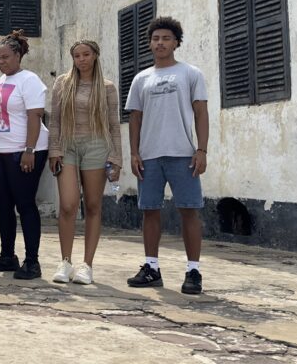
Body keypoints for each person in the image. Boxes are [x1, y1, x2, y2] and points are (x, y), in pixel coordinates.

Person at [125, 16, 209, 295]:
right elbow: (135, 119)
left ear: (176, 43)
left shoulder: (190, 74)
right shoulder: (141, 79)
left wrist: (202, 150)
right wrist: (134, 153)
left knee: (189, 211)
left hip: (183, 154)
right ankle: (152, 268)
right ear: (150, 43)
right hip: (149, 156)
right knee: (150, 211)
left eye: (166, 38)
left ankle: (193, 271)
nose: (160, 43)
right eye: (156, 38)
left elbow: (200, 113)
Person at [48, 40, 122, 285]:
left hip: (97, 146)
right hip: (68, 145)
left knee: (92, 206)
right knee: (68, 205)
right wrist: (54, 150)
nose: (81, 59)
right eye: (77, 55)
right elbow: (55, 120)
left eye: (86, 54)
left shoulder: (108, 88)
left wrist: (116, 158)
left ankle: (87, 265)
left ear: (95, 56)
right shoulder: (63, 83)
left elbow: (114, 125)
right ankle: (65, 261)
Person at [0, 30, 50, 279]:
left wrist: (29, 150)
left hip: (23, 152)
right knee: (3, 206)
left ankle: (32, 262)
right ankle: (7, 256)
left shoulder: (29, 80)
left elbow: (35, 115)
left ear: (18, 55)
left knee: (24, 204)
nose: (1, 62)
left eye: (6, 57)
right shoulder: (1, 81)